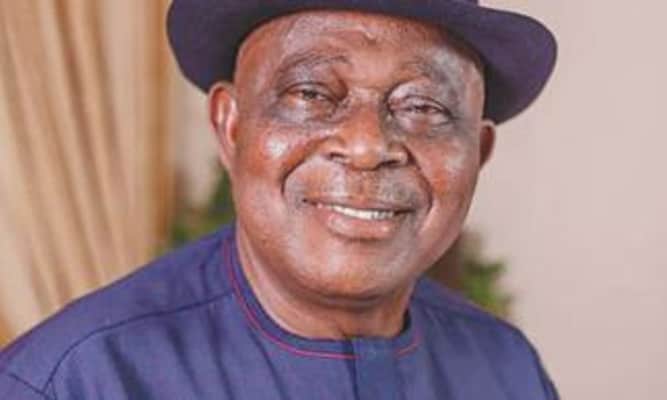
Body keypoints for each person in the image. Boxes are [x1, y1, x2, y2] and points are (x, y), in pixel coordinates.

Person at [0, 0, 559, 399]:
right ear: (231, 127)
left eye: (423, 107)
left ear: (478, 151)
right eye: (311, 94)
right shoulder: (71, 380)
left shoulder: (507, 369)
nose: (367, 145)